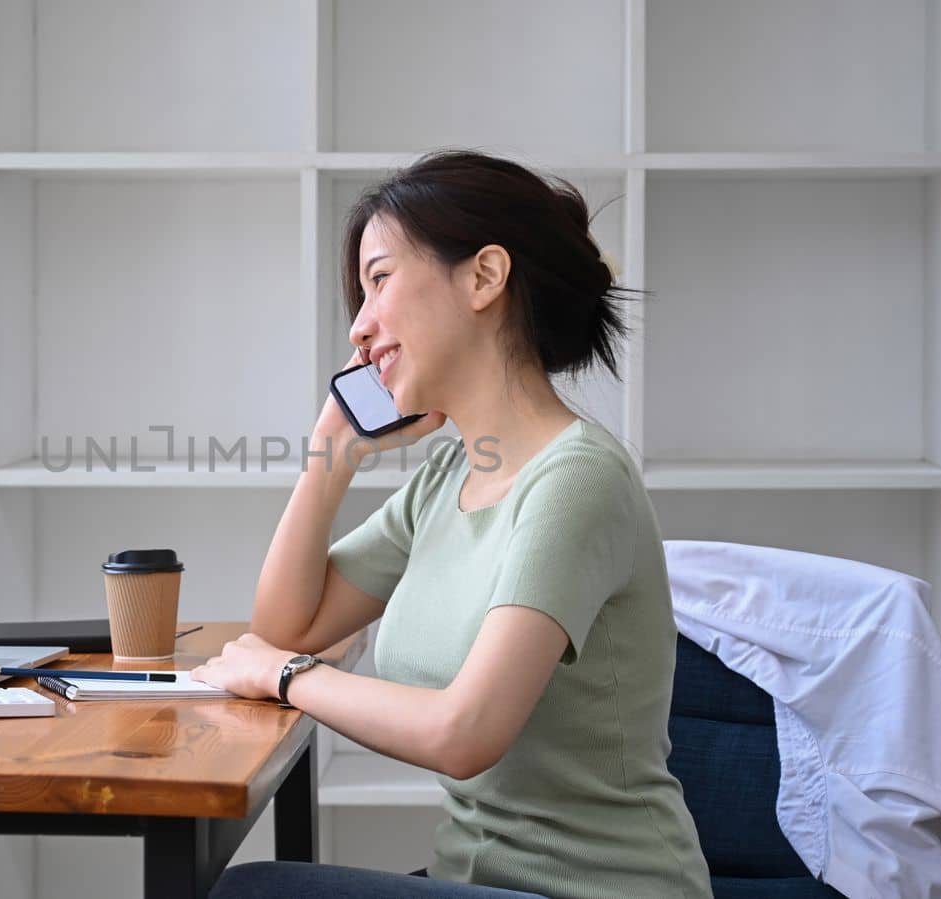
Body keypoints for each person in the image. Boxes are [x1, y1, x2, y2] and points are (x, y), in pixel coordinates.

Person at [194, 150, 713, 899]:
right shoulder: (448, 476)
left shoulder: (577, 480)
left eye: (379, 280)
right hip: (476, 879)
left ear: (484, 276)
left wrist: (285, 677)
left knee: (253, 893)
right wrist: (330, 457)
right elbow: (286, 624)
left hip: (597, 891)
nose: (359, 329)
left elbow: (463, 733)